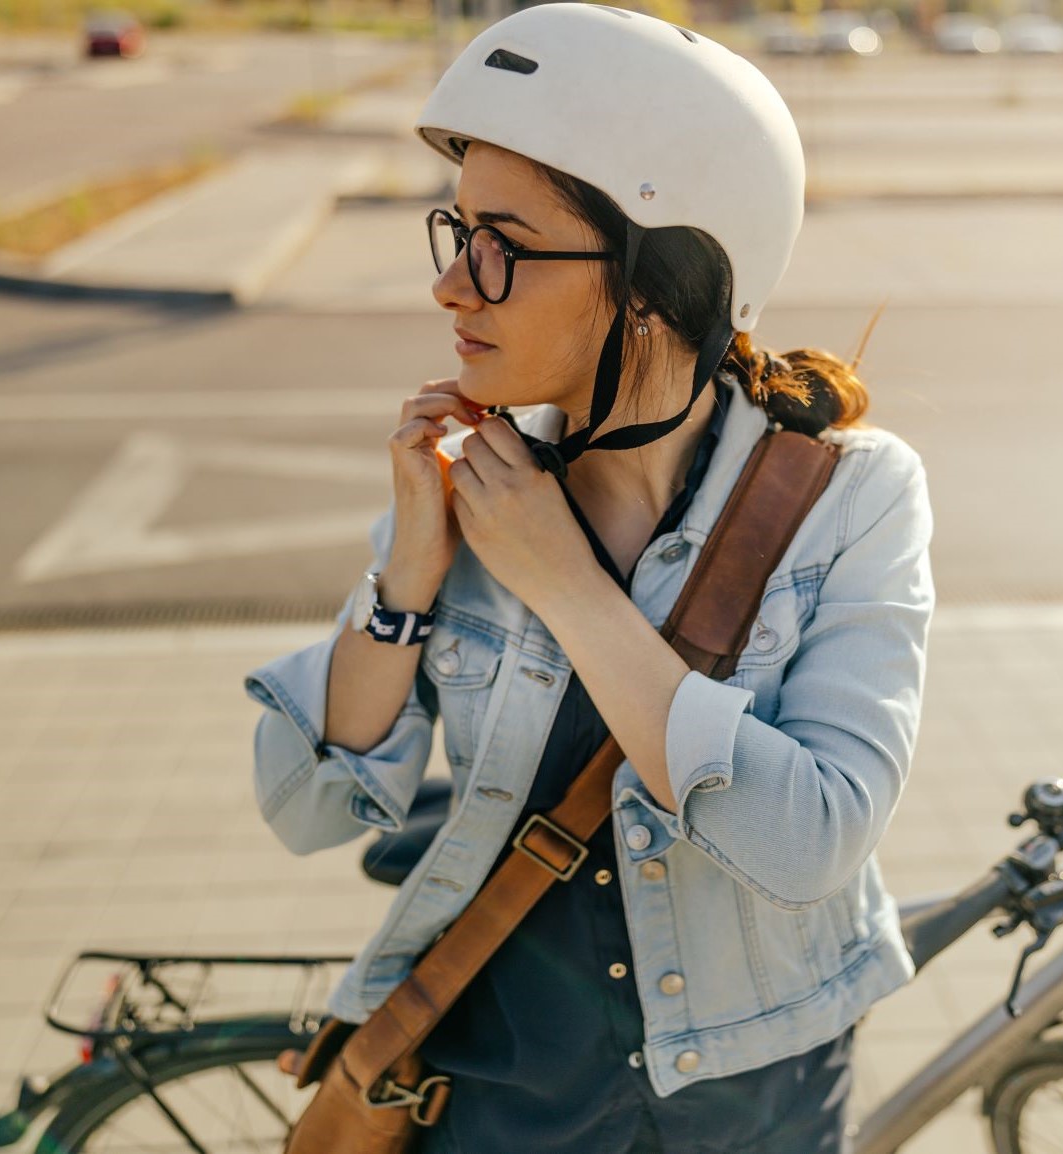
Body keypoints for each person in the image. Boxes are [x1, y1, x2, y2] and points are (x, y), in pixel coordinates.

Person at [246, 7, 935, 1152]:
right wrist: (408, 575)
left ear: (658, 282)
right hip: (498, 1088)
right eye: (454, 233)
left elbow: (815, 836)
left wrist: (568, 588)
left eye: (502, 244)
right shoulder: (473, 481)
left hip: (751, 1092)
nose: (453, 286)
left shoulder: (847, 497)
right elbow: (303, 804)